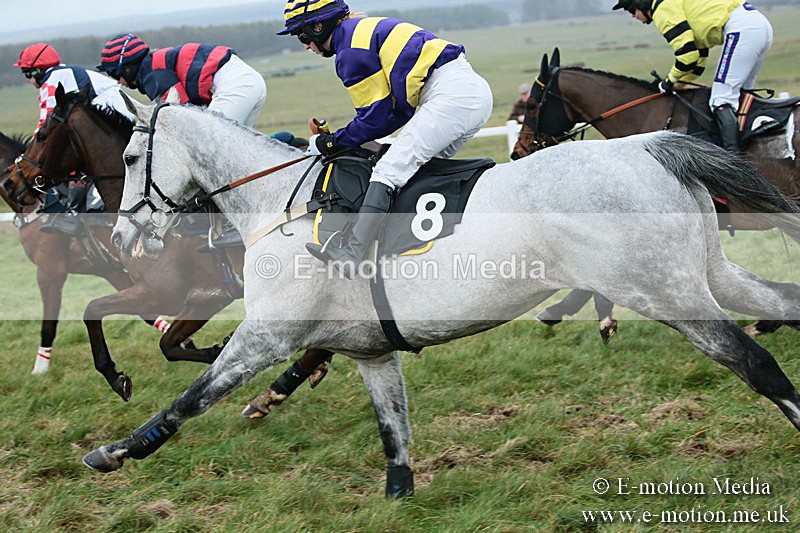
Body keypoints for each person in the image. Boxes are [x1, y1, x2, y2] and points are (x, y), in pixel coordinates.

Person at [278, 0, 493, 278]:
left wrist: (329, 143)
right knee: (414, 168)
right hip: (466, 91)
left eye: (303, 36)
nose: (305, 45)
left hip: (450, 97)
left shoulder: (350, 52)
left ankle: (353, 253)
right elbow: (390, 116)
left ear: (318, 27)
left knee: (388, 171)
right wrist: (344, 137)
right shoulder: (360, 31)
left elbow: (376, 121)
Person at [613, 0, 773, 151]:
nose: (633, 16)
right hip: (759, 25)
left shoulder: (662, 9)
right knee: (742, 95)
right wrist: (678, 84)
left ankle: (732, 159)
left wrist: (668, 81)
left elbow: (686, 55)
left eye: (631, 10)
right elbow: (697, 63)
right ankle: (758, 136)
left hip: (742, 29)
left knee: (721, 99)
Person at [13, 42, 128, 234]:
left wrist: (28, 157)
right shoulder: (61, 73)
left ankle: (73, 215)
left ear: (38, 71)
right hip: (115, 117)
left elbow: (46, 130)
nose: (29, 81)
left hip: (111, 121)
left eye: (28, 74)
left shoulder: (51, 81)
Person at [97, 34, 267, 128]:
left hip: (233, 85)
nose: (119, 82)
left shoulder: (151, 73)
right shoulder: (155, 63)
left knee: (207, 144)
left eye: (114, 74)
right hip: (247, 81)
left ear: (127, 68)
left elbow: (179, 115)